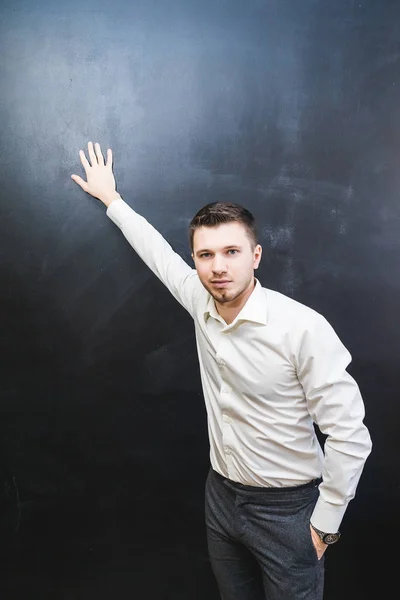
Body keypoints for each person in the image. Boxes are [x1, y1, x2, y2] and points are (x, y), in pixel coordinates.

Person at [71, 141, 372, 600]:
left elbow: (350, 434)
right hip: (222, 497)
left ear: (256, 256)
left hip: (288, 509)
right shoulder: (199, 297)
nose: (217, 267)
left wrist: (324, 525)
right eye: (205, 255)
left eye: (231, 252)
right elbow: (159, 256)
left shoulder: (303, 328)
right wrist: (112, 200)